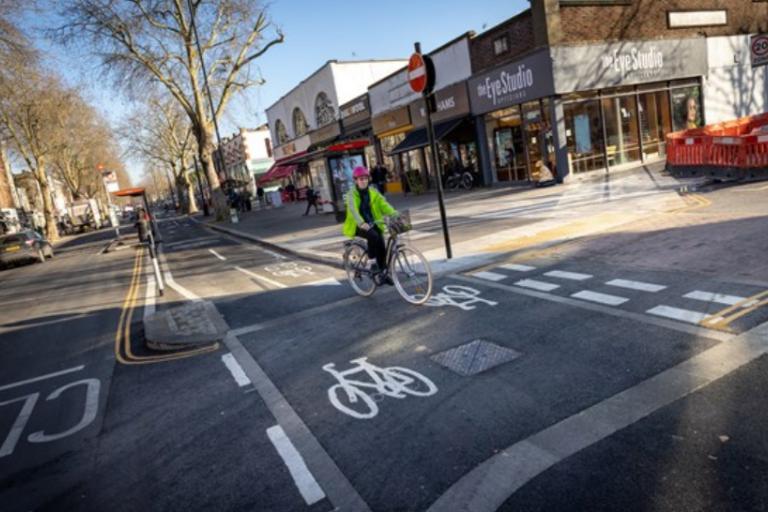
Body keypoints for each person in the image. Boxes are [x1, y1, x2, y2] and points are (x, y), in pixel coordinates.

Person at [343, 166, 397, 285]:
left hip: (373, 222)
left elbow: (383, 204)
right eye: (360, 179)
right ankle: (372, 262)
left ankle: (383, 273)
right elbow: (353, 211)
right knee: (373, 236)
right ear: (356, 181)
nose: (363, 181)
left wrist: (394, 213)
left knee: (381, 244)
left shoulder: (373, 192)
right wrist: (361, 223)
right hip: (357, 225)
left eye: (365, 178)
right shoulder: (351, 194)